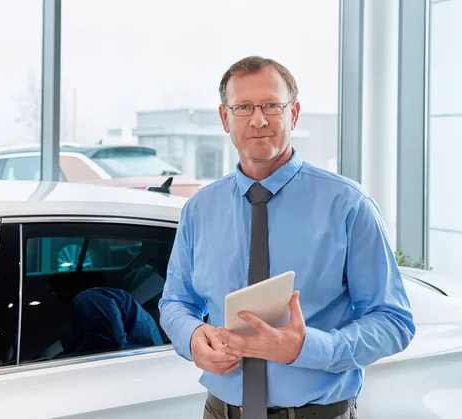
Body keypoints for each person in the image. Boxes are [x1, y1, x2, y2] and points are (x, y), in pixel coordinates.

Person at [158, 56, 415, 419]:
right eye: (243, 107)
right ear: (224, 118)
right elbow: (175, 302)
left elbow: (393, 320)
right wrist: (191, 337)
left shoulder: (348, 205)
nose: (258, 120)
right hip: (221, 412)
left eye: (271, 106)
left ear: (293, 115)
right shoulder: (200, 209)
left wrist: (310, 347)